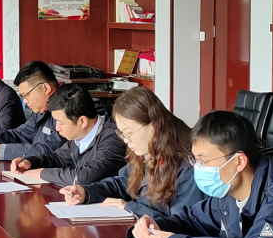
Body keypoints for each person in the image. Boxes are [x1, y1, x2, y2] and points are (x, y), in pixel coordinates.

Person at [131, 111, 273, 238]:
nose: (198, 168)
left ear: (239, 161)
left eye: (203, 161)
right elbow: (193, 220)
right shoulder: (229, 188)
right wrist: (156, 226)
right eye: (195, 160)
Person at [60, 87, 204, 218]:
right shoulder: (146, 151)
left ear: (154, 125)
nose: (125, 140)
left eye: (129, 133)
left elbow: (182, 222)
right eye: (122, 134)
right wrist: (87, 192)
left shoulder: (187, 165)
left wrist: (131, 207)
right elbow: (122, 182)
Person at [10, 84, 126, 186]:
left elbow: (82, 177)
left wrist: (41, 173)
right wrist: (30, 162)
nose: (57, 128)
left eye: (60, 123)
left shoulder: (113, 139)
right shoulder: (79, 136)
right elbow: (57, 158)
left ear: (82, 121)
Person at [0, 60, 64, 159]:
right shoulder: (42, 112)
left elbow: (50, 151)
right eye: (23, 97)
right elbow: (18, 134)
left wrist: (0, 150)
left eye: (27, 95)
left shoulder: (65, 111)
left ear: (46, 88)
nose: (25, 101)